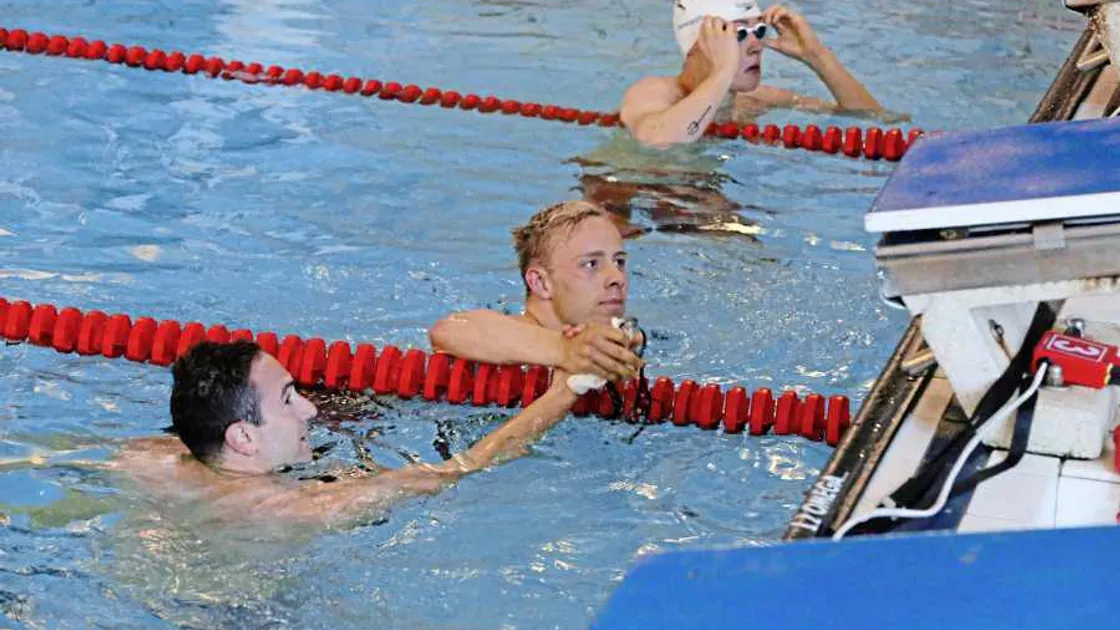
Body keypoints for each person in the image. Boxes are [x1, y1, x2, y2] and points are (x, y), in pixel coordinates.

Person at [111, 340, 580, 527]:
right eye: (289, 398)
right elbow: (466, 466)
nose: (312, 409)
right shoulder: (307, 506)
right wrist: (568, 390)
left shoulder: (149, 460)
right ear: (242, 438)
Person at [430, 200, 644, 385]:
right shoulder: (508, 340)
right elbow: (448, 331)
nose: (617, 277)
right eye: (591, 264)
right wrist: (565, 350)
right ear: (541, 282)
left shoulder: (626, 339)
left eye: (619, 262)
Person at [621, 0, 887, 148]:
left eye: (759, 30)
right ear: (695, 45)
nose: (756, 44)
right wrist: (723, 71)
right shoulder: (656, 92)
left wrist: (818, 57)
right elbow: (658, 140)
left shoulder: (756, 100)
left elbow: (877, 122)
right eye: (738, 33)